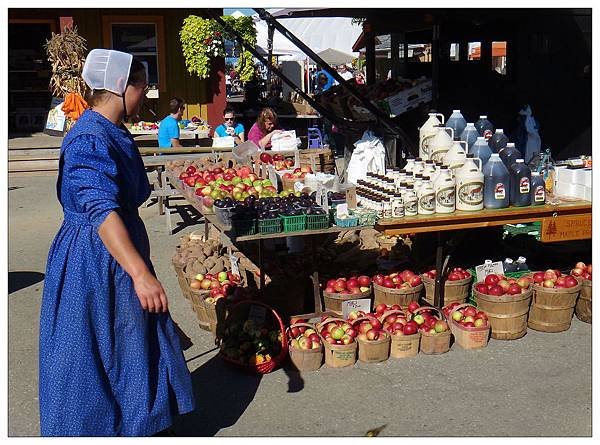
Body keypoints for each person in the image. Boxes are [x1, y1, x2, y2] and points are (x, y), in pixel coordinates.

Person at [39, 49, 195, 436]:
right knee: (94, 346)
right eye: (142, 86)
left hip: (114, 247)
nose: (145, 95)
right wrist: (140, 274)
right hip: (95, 254)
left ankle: (134, 422)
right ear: (121, 87)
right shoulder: (90, 138)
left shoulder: (109, 129)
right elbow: (100, 209)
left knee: (128, 339)